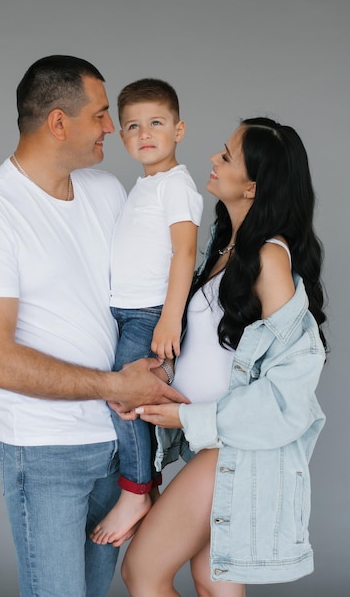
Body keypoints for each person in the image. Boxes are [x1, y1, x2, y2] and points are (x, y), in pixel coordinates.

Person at [0, 56, 187, 597]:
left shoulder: (106, 192)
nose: (111, 127)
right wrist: (116, 386)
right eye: (102, 115)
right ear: (59, 122)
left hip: (119, 447)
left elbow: (147, 293)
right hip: (46, 452)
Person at [118, 117, 327, 596]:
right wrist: (161, 370)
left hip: (234, 450)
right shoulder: (225, 247)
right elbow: (215, 350)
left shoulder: (269, 259)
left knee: (143, 573)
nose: (213, 159)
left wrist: (189, 417)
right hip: (214, 445)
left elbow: (288, 387)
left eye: (227, 156)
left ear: (252, 186)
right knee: (213, 585)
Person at [90, 78, 203, 547]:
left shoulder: (176, 185)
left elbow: (185, 252)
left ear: (179, 129)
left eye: (156, 123)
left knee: (128, 396)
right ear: (121, 135)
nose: (144, 133)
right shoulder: (143, 185)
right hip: (124, 310)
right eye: (133, 126)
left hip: (150, 312)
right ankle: (142, 483)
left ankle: (137, 490)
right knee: (120, 397)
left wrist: (169, 319)